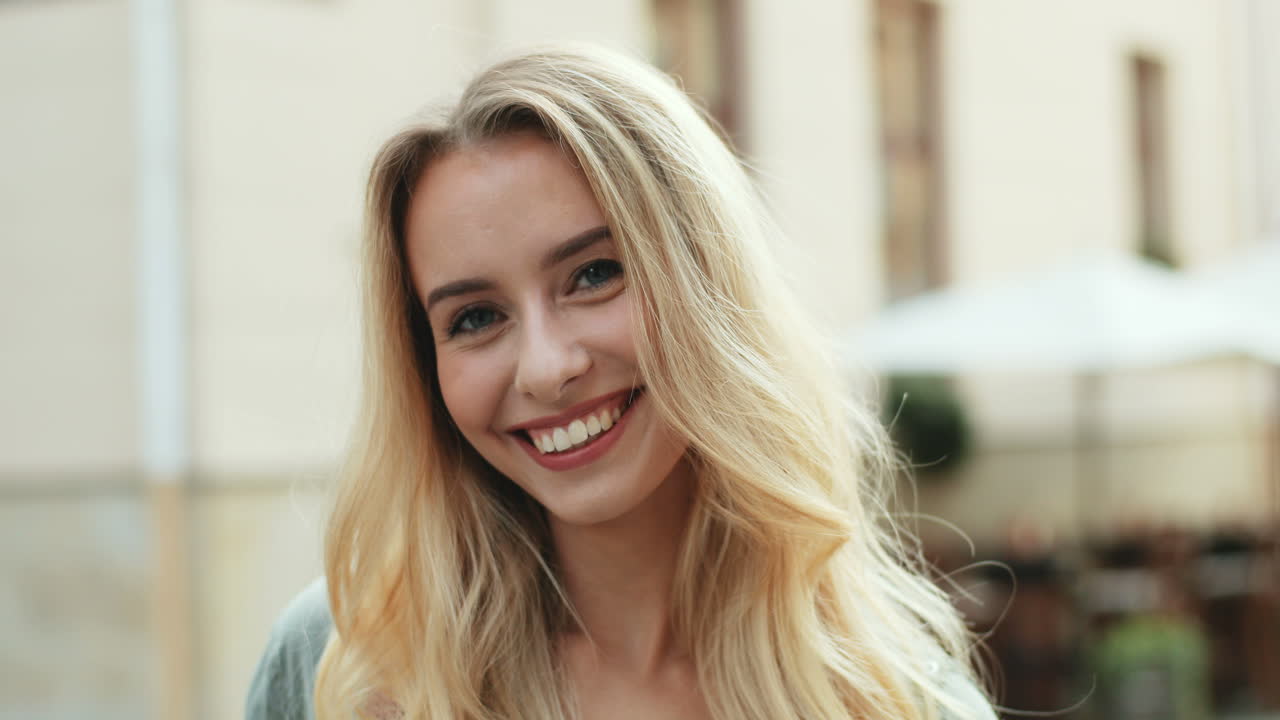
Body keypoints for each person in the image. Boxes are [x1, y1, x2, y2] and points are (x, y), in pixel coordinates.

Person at [247, 44, 996, 720]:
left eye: (594, 274)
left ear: (707, 279)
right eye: (475, 318)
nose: (547, 369)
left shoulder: (897, 701)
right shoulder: (340, 671)